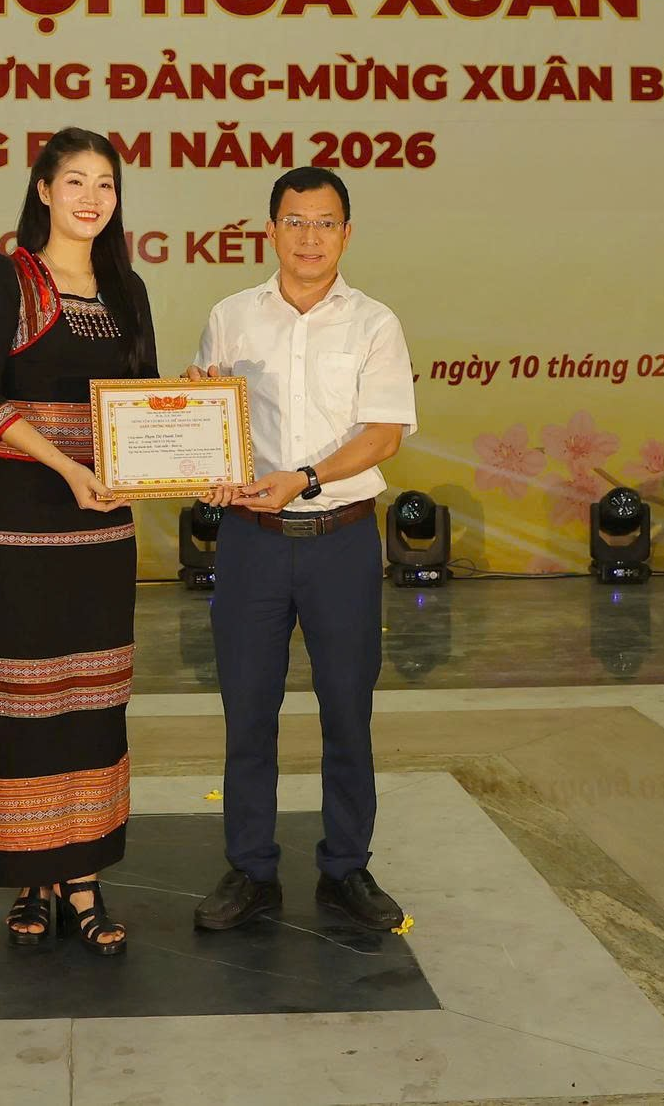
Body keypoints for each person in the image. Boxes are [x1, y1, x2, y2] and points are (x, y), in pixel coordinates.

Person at [189, 167, 416, 934]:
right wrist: (197, 426)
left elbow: (383, 435)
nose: (309, 237)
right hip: (249, 543)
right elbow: (209, 422)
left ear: (346, 234)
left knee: (348, 709)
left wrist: (306, 477)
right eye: (295, 221)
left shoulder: (375, 323)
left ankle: (346, 866)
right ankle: (250, 868)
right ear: (270, 230)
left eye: (325, 222)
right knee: (247, 711)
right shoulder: (230, 317)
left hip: (340, 541)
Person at [0, 128, 155, 954]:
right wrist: (67, 466)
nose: (91, 197)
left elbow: (143, 401)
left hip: (104, 524)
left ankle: (83, 876)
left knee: (95, 697)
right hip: (23, 518)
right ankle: (31, 879)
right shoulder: (7, 277)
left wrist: (182, 427)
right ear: (42, 189)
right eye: (75, 180)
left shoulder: (128, 289)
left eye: (105, 183)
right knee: (25, 697)